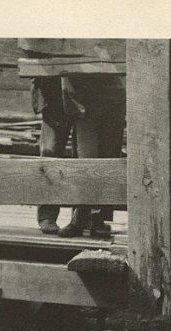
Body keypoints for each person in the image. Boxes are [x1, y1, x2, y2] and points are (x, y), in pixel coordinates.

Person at [56, 74, 125, 238]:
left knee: (108, 159)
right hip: (84, 101)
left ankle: (98, 219)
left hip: (113, 100)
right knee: (85, 159)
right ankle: (79, 218)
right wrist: (72, 102)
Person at [32, 76, 75, 235]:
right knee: (50, 151)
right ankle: (47, 215)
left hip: (85, 90)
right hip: (54, 90)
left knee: (85, 154)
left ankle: (82, 216)